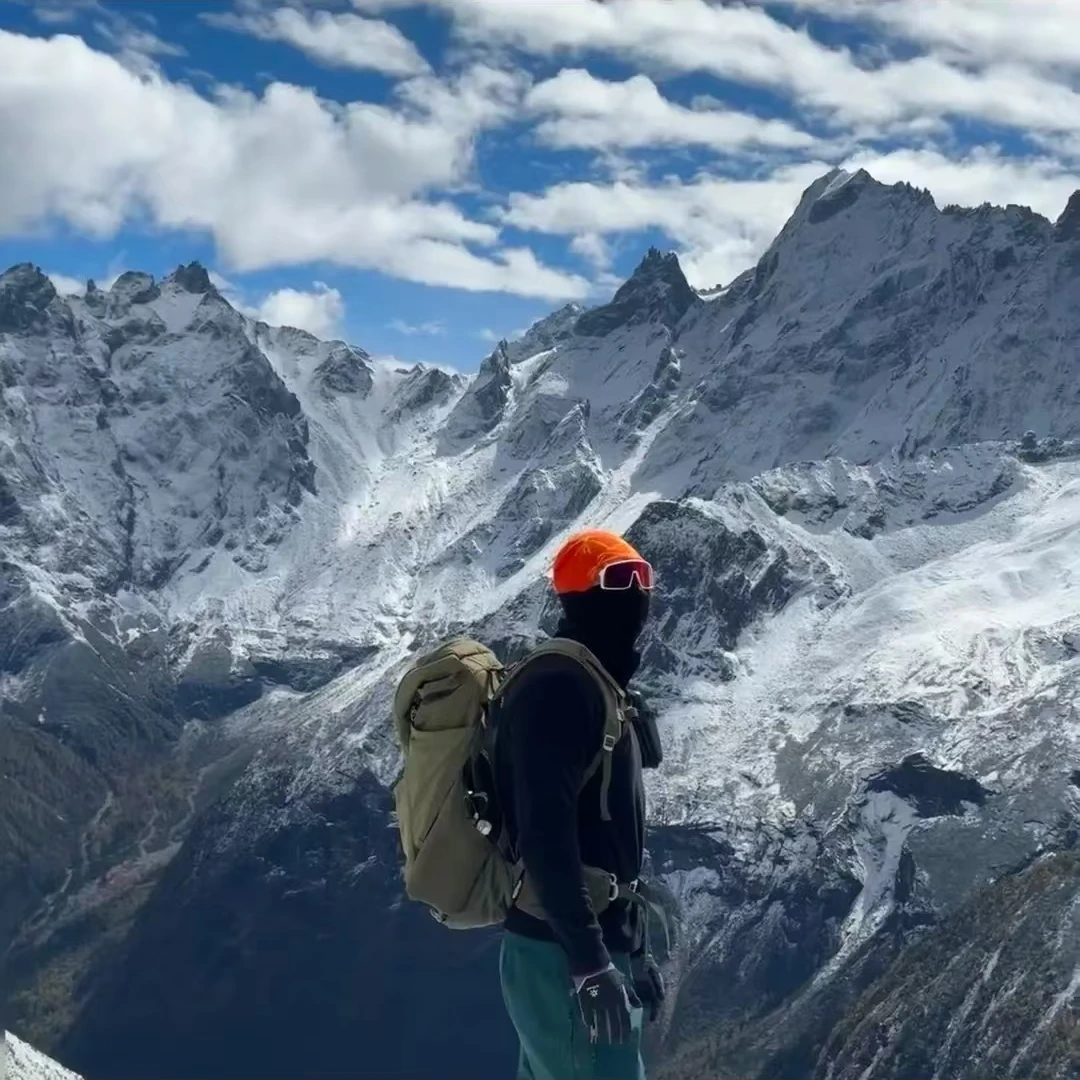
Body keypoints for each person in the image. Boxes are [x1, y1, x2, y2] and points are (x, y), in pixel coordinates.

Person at [494, 529, 665, 1080]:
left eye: (644, 577)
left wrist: (630, 951)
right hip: (560, 953)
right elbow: (546, 835)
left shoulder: (598, 685)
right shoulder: (558, 687)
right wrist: (590, 964)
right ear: (579, 593)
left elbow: (607, 836)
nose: (636, 591)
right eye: (620, 578)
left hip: (580, 945)